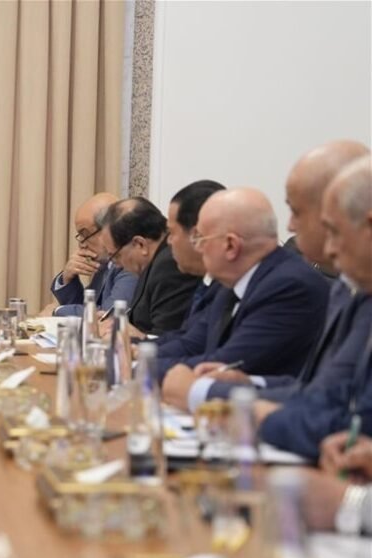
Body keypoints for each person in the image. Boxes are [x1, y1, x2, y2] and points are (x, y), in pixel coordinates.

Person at [163, 142, 370, 411]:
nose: (289, 226)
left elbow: (333, 408)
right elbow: (317, 389)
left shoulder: (293, 285)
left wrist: (200, 392)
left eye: (296, 211)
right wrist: (250, 384)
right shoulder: (346, 288)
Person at [257, 155, 372, 459]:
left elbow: (351, 423)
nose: (330, 249)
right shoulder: (355, 290)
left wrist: (259, 417)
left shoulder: (302, 282)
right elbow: (332, 398)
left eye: (334, 231)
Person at [156, 188, 328, 386]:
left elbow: (226, 365)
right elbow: (194, 344)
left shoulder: (289, 287)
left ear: (231, 245)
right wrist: (139, 357)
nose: (198, 248)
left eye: (200, 239)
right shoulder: (232, 282)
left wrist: (143, 368)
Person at [98, 197, 200, 336]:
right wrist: (114, 323)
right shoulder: (154, 263)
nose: (116, 265)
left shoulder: (169, 266)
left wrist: (129, 335)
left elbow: (166, 336)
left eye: (116, 256)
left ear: (140, 244)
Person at [153, 180, 225, 345]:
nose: (168, 241)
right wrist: (137, 347)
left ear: (197, 235)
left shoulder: (234, 284)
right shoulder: (211, 281)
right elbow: (187, 338)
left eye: (172, 233)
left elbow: (198, 347)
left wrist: (140, 351)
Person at [49, 193, 136, 317]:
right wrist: (68, 278)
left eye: (85, 235)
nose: (81, 245)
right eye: (80, 236)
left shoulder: (130, 262)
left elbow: (109, 315)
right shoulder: (104, 264)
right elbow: (87, 309)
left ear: (110, 228)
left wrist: (57, 311)